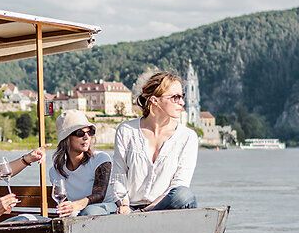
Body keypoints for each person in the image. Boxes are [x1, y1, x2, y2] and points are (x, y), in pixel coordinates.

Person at [111, 70, 198, 211]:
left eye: (182, 96)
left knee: (184, 195)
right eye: (175, 97)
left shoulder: (188, 137)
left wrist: (145, 212)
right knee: (91, 212)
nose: (181, 102)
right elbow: (118, 176)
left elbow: (178, 185)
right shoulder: (126, 130)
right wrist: (124, 205)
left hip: (163, 206)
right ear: (154, 100)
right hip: (128, 206)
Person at [50, 109, 125, 217]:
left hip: (108, 210)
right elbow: (64, 202)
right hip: (79, 215)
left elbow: (99, 195)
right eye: (80, 133)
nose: (86, 137)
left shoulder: (101, 159)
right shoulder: (55, 171)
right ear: (66, 138)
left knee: (88, 212)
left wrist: (76, 206)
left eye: (89, 132)